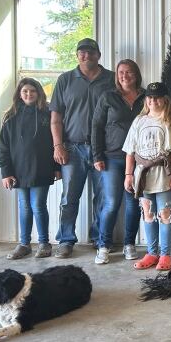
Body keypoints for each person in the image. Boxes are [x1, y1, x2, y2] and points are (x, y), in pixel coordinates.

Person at [50, 38, 116, 258]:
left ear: (98, 55)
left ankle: (99, 239)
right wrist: (58, 146)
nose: (85, 55)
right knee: (69, 197)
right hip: (72, 149)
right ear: (77, 55)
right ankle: (66, 240)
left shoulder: (112, 79)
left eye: (90, 52)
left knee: (103, 197)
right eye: (81, 52)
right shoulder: (65, 80)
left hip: (104, 150)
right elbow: (56, 118)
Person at [123, 82, 171, 271]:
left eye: (157, 97)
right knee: (148, 214)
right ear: (146, 100)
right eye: (150, 97)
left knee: (165, 214)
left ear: (165, 99)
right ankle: (152, 253)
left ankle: (165, 255)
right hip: (143, 175)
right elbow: (129, 151)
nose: (153, 101)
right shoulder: (139, 121)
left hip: (165, 174)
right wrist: (128, 175)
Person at [90, 59, 146, 264]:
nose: (125, 75)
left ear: (136, 74)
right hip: (112, 158)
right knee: (111, 203)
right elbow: (96, 127)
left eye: (129, 72)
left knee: (133, 204)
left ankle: (129, 244)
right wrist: (97, 156)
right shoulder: (108, 97)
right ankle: (103, 246)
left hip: (140, 159)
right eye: (121, 72)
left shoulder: (147, 96)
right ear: (117, 76)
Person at [0, 78, 60, 260]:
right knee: (24, 206)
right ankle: (24, 244)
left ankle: (44, 243)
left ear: (39, 93)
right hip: (18, 171)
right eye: (25, 91)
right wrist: (6, 172)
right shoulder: (11, 117)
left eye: (32, 91)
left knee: (38, 205)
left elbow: (56, 143)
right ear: (19, 93)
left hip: (42, 169)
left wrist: (57, 167)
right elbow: (4, 148)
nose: (29, 94)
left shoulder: (47, 114)